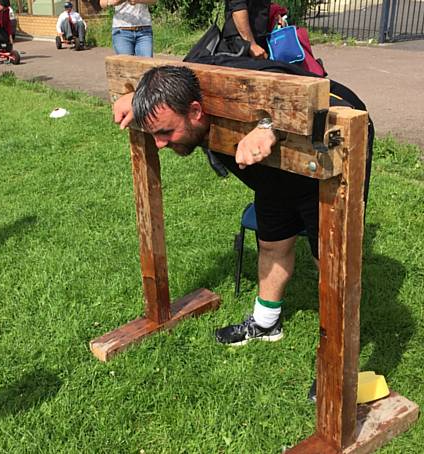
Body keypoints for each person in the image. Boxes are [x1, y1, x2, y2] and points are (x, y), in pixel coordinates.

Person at [113, 64, 344, 346]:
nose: (159, 143)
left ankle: (337, 354)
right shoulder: (184, 77)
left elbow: (303, 104)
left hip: (324, 158)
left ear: (196, 111)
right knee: (272, 244)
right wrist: (136, 96)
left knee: (329, 259)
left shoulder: (229, 78)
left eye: (166, 131)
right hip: (272, 176)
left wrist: (270, 127)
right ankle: (266, 323)